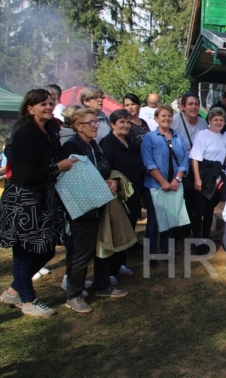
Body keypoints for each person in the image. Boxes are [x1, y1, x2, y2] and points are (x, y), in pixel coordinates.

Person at [0, 89, 77, 318]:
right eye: (42, 104)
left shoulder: (50, 130)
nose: (48, 106)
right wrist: (57, 168)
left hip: (45, 200)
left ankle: (13, 291)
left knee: (46, 251)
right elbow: (25, 174)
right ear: (29, 108)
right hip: (24, 202)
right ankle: (28, 300)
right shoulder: (24, 134)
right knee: (24, 253)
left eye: (50, 103)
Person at [63, 107, 128, 313]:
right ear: (78, 126)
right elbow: (73, 180)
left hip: (100, 204)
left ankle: (102, 285)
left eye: (96, 121)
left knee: (103, 246)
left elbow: (102, 170)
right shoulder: (72, 146)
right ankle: (74, 295)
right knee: (81, 253)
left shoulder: (93, 145)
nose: (95, 125)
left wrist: (113, 180)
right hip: (83, 208)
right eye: (91, 122)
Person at [99, 109, 145, 278]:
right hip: (117, 197)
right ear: (112, 124)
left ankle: (120, 264)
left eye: (127, 122)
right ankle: (109, 271)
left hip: (132, 195)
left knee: (128, 230)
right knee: (115, 232)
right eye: (122, 122)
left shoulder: (130, 144)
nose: (126, 125)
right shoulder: (107, 144)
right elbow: (106, 171)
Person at [140, 105, 188, 266]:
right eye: (163, 116)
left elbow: (184, 160)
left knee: (169, 219)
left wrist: (177, 180)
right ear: (156, 118)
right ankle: (151, 255)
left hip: (174, 185)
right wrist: (163, 182)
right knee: (153, 222)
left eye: (169, 116)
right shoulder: (150, 137)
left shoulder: (178, 137)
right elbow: (148, 162)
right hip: (155, 185)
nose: (166, 118)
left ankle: (166, 252)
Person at [170, 92, 208, 242]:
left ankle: (191, 234)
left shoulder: (203, 123)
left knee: (195, 202)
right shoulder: (175, 120)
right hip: (179, 166)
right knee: (181, 202)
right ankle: (178, 236)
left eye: (196, 104)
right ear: (183, 106)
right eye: (190, 104)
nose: (193, 107)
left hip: (197, 167)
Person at [189, 108, 226, 250]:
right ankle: (197, 240)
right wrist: (197, 179)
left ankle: (206, 239)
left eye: (221, 120)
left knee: (210, 209)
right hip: (204, 175)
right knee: (199, 210)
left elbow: (222, 159)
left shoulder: (223, 137)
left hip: (217, 177)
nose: (218, 122)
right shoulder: (202, 135)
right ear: (210, 121)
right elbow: (195, 158)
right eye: (215, 119)